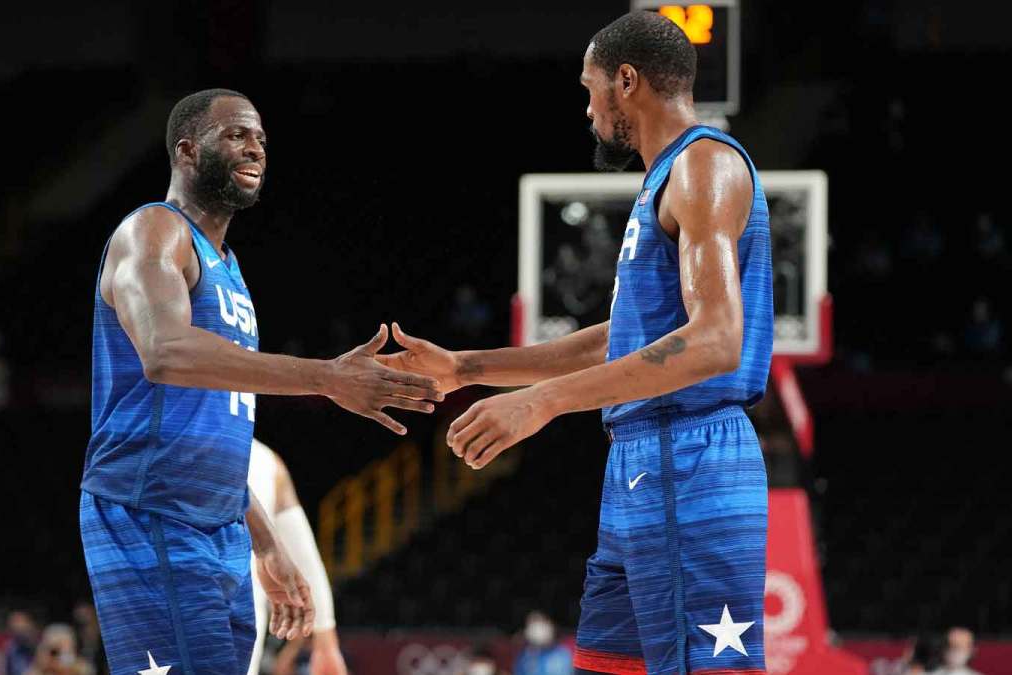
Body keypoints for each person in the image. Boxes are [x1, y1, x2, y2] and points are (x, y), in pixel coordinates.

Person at [380, 12, 772, 674]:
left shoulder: (705, 165)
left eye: (590, 87)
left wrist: (541, 402)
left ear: (625, 81)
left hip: (690, 451)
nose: (587, 108)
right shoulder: (663, 179)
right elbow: (620, 340)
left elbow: (715, 340)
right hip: (643, 463)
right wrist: (466, 367)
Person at [80, 88, 441, 675]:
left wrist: (266, 542)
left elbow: (213, 426)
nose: (256, 147)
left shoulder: (230, 270)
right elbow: (165, 353)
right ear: (188, 151)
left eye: (262, 139)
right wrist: (327, 378)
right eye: (237, 135)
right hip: (151, 513)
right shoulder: (153, 232)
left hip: (219, 524)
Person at [246, 440, 347, 675]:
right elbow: (303, 553)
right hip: (237, 624)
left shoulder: (164, 427)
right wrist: (326, 643)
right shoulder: (267, 459)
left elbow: (300, 551)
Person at [24, 624, 93, 675]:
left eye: (61, 646)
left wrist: (68, 668)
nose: (56, 653)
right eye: (54, 650)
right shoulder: (40, 668)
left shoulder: (82, 668)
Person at [5, 611, 39, 675]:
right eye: (14, 622)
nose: (16, 625)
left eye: (19, 621)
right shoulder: (11, 647)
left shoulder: (42, 645)